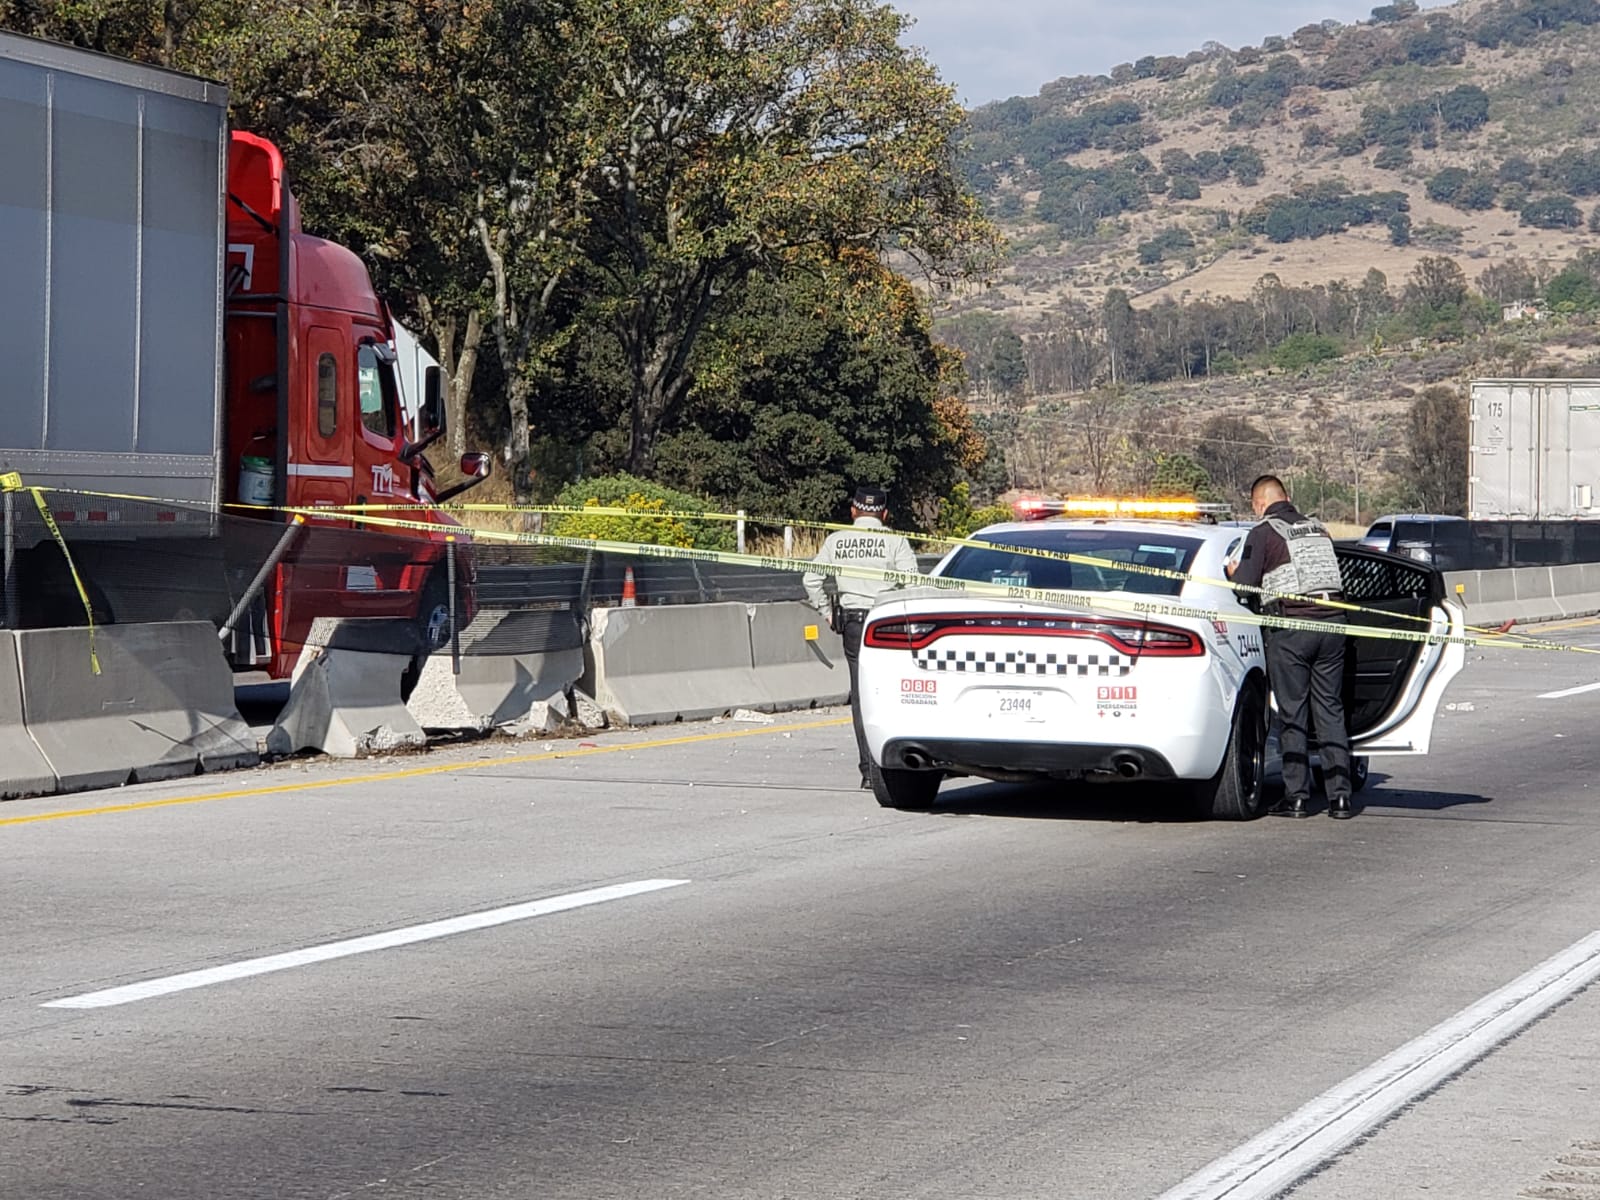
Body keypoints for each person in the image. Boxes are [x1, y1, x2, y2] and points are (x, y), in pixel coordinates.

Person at [1226, 475, 1355, 820]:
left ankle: (1296, 797)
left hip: (1292, 630)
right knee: (1329, 710)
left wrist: (1232, 571)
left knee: (1293, 713)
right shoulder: (1318, 529)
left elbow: (1245, 585)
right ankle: (1340, 798)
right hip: (1334, 626)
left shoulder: (1264, 532)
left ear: (1259, 503)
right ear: (1287, 497)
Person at [803, 485, 920, 788]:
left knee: (861, 696)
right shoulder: (894, 540)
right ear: (884, 513)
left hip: (853, 625)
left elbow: (811, 578)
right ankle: (902, 763)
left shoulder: (836, 540)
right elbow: (913, 583)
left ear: (853, 511)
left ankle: (869, 772)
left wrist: (828, 612)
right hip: (888, 624)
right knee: (900, 691)